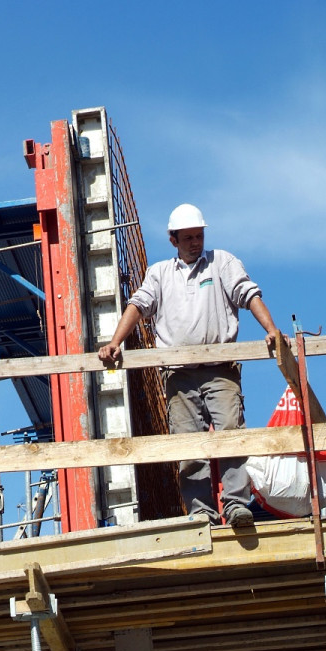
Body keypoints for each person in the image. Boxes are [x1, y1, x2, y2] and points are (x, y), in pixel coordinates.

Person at [97, 203, 284, 528]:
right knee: (189, 446)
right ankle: (202, 513)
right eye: (188, 238)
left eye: (199, 236)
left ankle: (236, 504)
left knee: (230, 436)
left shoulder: (222, 263)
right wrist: (115, 342)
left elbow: (248, 293)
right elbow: (138, 306)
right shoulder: (159, 274)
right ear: (174, 240)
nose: (195, 242)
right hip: (178, 374)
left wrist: (272, 329)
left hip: (220, 368)